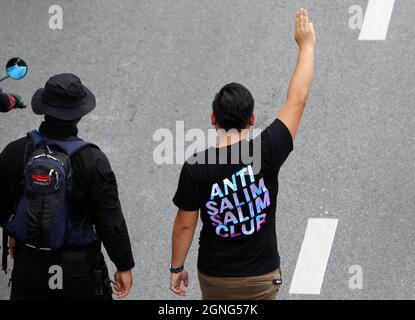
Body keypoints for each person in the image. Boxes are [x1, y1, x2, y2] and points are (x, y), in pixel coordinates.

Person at [170, 9, 316, 300]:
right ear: (252, 120)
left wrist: (177, 268)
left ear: (213, 119)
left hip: (215, 276)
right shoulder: (267, 149)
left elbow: (186, 222)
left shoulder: (196, 166)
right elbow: (297, 99)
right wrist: (307, 46)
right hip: (262, 276)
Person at [0, 73, 135, 300]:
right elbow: (110, 222)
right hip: (78, 272)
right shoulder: (93, 160)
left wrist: (17, 230)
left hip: (29, 269)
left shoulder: (16, 152)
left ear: (43, 108)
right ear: (79, 114)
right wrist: (123, 265)